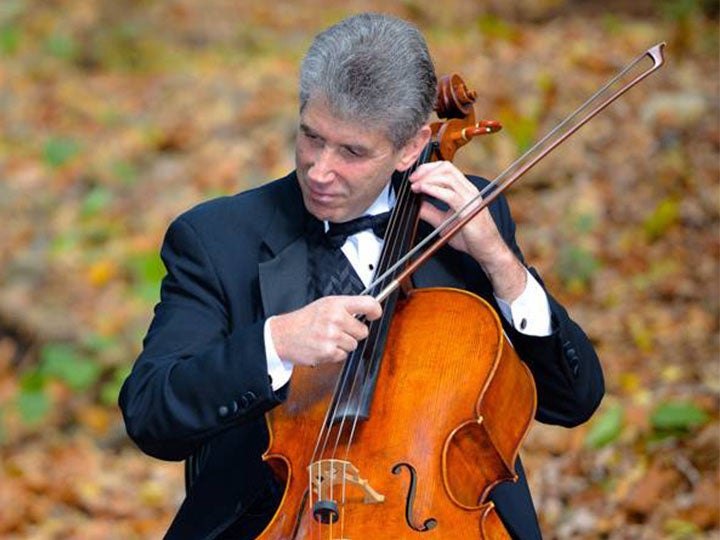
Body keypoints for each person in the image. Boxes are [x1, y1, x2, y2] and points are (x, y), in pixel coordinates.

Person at [119, 12, 604, 540]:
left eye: (352, 151)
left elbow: (571, 401)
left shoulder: (468, 216)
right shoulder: (217, 239)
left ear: (412, 146)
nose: (320, 170)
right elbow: (151, 412)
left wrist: (500, 262)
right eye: (311, 137)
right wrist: (275, 342)